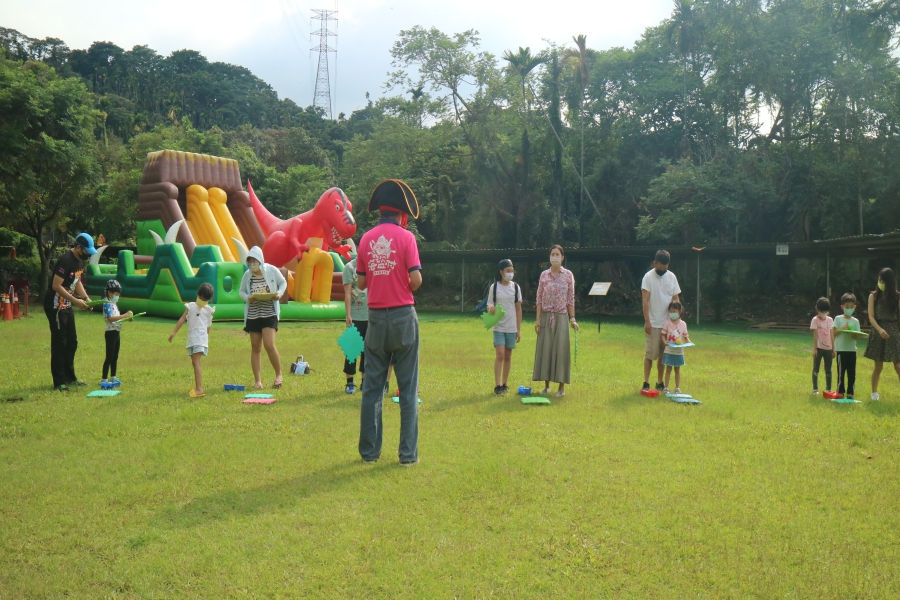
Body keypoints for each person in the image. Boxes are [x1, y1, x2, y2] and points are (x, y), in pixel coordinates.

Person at [356, 179, 423, 466]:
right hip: (403, 317)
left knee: (372, 388)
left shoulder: (366, 239)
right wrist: (403, 281)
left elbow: (360, 282)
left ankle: (370, 453)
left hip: (375, 320)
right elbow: (416, 279)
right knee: (407, 389)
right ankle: (407, 455)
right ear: (401, 213)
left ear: (381, 211)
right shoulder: (407, 238)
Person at [43, 232, 96, 392]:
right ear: (78, 247)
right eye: (86, 250)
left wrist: (86, 298)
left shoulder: (80, 261)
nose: (88, 254)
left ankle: (70, 377)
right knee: (60, 343)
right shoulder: (65, 261)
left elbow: (77, 281)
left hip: (67, 305)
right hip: (55, 306)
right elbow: (56, 285)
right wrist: (76, 301)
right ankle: (59, 382)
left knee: (72, 342)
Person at [238, 246, 288, 389]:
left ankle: (279, 374)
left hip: (269, 312)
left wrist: (278, 293)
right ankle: (257, 381)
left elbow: (283, 282)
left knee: (269, 344)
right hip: (254, 313)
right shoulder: (247, 275)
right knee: (255, 347)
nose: (253, 264)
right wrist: (248, 298)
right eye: (250, 261)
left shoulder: (271, 270)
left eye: (255, 260)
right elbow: (241, 291)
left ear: (260, 260)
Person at [533, 245, 578, 397]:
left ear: (562, 257)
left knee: (560, 350)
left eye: (557, 254)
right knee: (546, 349)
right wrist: (538, 319)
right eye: (552, 254)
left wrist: (572, 319)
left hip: (561, 316)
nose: (554, 257)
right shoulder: (544, 275)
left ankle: (561, 388)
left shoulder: (568, 275)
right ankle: (546, 386)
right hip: (546, 316)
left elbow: (570, 298)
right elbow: (539, 298)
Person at [641, 250, 681, 392]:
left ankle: (660, 382)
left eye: (665, 268)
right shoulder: (648, 277)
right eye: (660, 268)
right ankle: (646, 382)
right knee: (650, 354)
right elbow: (645, 301)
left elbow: (675, 299)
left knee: (663, 356)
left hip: (668, 325)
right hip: (653, 323)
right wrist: (647, 321)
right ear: (655, 263)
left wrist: (677, 322)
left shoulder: (672, 277)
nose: (662, 271)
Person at [168, 282, 215, 398]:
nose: (201, 300)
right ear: (197, 295)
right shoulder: (191, 306)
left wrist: (206, 339)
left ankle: (199, 388)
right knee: (194, 362)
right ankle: (198, 387)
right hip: (192, 339)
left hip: (200, 339)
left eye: (204, 299)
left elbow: (208, 326)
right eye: (200, 297)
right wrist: (174, 332)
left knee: (196, 362)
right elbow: (183, 318)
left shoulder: (208, 310)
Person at [487, 259, 523, 395]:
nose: (510, 273)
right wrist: (490, 307)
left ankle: (504, 384)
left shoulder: (516, 288)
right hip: (498, 326)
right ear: (501, 272)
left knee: (508, 355)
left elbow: (518, 309)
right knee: (500, 354)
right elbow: (489, 303)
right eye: (508, 271)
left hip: (511, 327)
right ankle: (497, 386)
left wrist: (518, 330)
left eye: (512, 271)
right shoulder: (494, 287)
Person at [865, 268, 900, 401]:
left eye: (882, 280)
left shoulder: (897, 297)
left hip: (893, 331)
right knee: (878, 366)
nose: (880, 282)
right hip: (878, 331)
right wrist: (880, 330)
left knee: (898, 365)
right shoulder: (873, 296)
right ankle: (874, 393)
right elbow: (871, 317)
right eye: (879, 280)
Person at [342, 253, 368, 394]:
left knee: (367, 351)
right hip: (355, 315)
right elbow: (347, 293)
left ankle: (365, 381)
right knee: (351, 350)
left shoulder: (371, 266)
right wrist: (348, 315)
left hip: (370, 315)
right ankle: (350, 383)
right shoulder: (349, 267)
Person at [100, 279, 132, 386]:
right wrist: (124, 316)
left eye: (118, 294)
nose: (117, 296)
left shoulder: (113, 303)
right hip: (110, 332)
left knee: (115, 356)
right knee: (109, 356)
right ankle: (104, 379)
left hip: (116, 331)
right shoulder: (107, 303)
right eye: (116, 293)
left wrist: (127, 318)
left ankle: (113, 377)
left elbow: (117, 318)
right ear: (109, 293)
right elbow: (110, 318)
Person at [832, 292, 861, 399]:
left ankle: (850, 392)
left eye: (851, 307)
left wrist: (852, 332)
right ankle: (840, 391)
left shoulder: (855, 321)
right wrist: (842, 328)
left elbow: (856, 336)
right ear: (842, 307)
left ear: (855, 307)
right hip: (841, 350)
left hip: (852, 350)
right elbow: (834, 333)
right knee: (841, 372)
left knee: (852, 372)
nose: (849, 309)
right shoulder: (838, 319)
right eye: (847, 307)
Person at [661, 300, 690, 393]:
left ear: (679, 312)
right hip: (669, 350)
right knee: (668, 369)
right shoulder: (667, 323)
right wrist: (665, 341)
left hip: (678, 351)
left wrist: (689, 342)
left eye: (675, 311)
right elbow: (663, 334)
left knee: (677, 369)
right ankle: (666, 387)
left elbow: (685, 336)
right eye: (671, 311)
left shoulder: (683, 324)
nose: (672, 313)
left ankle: (677, 388)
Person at [810, 297, 834, 395]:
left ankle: (828, 389)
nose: (824, 313)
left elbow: (832, 334)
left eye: (826, 311)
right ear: (817, 309)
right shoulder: (815, 320)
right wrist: (815, 349)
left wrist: (833, 349)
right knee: (816, 368)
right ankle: (815, 389)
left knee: (828, 369)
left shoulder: (830, 320)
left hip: (829, 348)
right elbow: (815, 335)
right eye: (822, 311)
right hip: (819, 348)